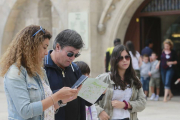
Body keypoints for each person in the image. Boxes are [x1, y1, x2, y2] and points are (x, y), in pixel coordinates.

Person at [0, 25, 80, 120]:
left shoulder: (39, 71)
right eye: (44, 47)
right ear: (31, 47)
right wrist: (57, 96)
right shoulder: (16, 72)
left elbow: (45, 108)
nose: (46, 52)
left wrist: (61, 100)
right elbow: (25, 111)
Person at [44, 29, 103, 120]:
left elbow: (87, 100)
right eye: (70, 54)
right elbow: (38, 102)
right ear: (58, 47)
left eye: (76, 55)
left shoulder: (75, 68)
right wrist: (60, 95)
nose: (72, 58)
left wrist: (99, 91)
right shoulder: (42, 68)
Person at [96, 45, 146, 120]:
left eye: (127, 57)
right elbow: (87, 99)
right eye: (120, 58)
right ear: (114, 59)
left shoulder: (135, 80)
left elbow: (142, 103)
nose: (124, 60)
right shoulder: (103, 79)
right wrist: (100, 112)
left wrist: (125, 105)